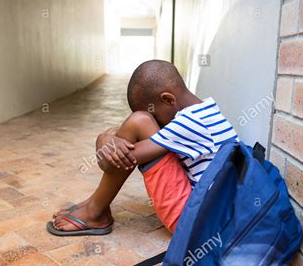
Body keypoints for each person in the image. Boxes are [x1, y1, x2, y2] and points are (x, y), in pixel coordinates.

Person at [47, 60, 238, 236]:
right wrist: (115, 138)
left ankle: (95, 212)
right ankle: (95, 206)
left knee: (139, 121)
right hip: (215, 215)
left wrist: (103, 139)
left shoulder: (189, 123)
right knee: (135, 127)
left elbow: (111, 162)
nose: (156, 122)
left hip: (195, 225)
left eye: (156, 116)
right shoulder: (206, 111)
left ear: (168, 100)